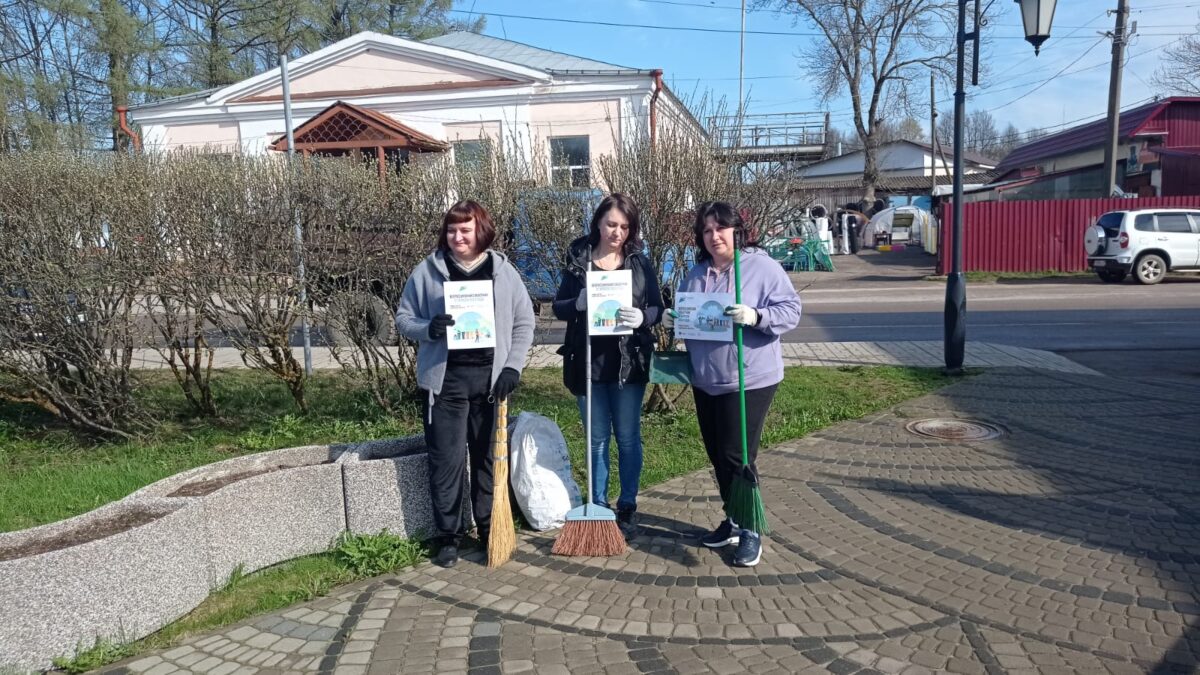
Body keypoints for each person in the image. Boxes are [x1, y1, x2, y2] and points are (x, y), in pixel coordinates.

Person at [395, 200, 536, 569]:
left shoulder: (503, 272)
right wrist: (429, 329)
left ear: (481, 231)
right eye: (451, 230)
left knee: (489, 460)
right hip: (446, 383)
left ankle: (490, 528)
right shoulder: (428, 271)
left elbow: (525, 323)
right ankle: (449, 536)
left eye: (465, 230)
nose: (457, 237)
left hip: (491, 383)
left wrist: (512, 367)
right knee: (447, 461)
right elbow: (403, 319)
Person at [664, 201, 801, 567]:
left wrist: (757, 315)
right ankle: (735, 516)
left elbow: (791, 309)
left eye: (720, 228)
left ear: (735, 230)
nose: (714, 236)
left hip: (749, 378)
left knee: (738, 455)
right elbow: (689, 320)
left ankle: (751, 528)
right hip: (706, 380)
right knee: (716, 454)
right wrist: (674, 319)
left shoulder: (760, 267)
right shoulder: (695, 275)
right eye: (706, 231)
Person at [553, 193, 663, 538]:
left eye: (625, 227)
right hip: (588, 364)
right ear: (599, 222)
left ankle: (627, 504)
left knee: (628, 438)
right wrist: (578, 303)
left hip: (628, 364)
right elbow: (558, 307)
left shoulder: (639, 263)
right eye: (612, 224)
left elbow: (659, 306)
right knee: (597, 439)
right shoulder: (578, 260)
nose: (617, 232)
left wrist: (643, 316)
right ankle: (598, 504)